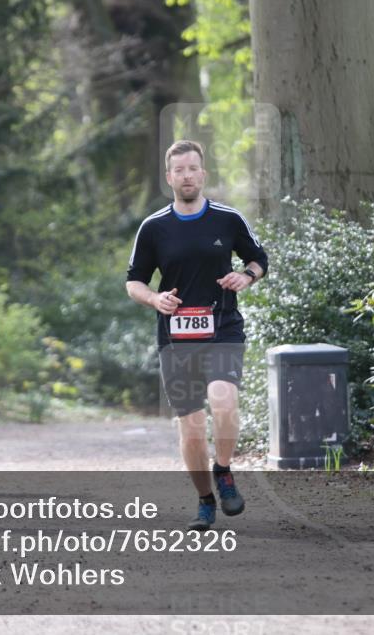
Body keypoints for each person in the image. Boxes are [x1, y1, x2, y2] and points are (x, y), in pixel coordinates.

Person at [126, 140, 268, 531]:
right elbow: (134, 281)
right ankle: (205, 500)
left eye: (193, 169)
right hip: (175, 337)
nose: (187, 176)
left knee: (223, 400)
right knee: (190, 429)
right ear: (169, 177)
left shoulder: (228, 219)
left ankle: (223, 470)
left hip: (222, 325)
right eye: (179, 170)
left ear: (203, 174)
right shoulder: (153, 227)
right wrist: (155, 299)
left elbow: (259, 258)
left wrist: (247, 275)